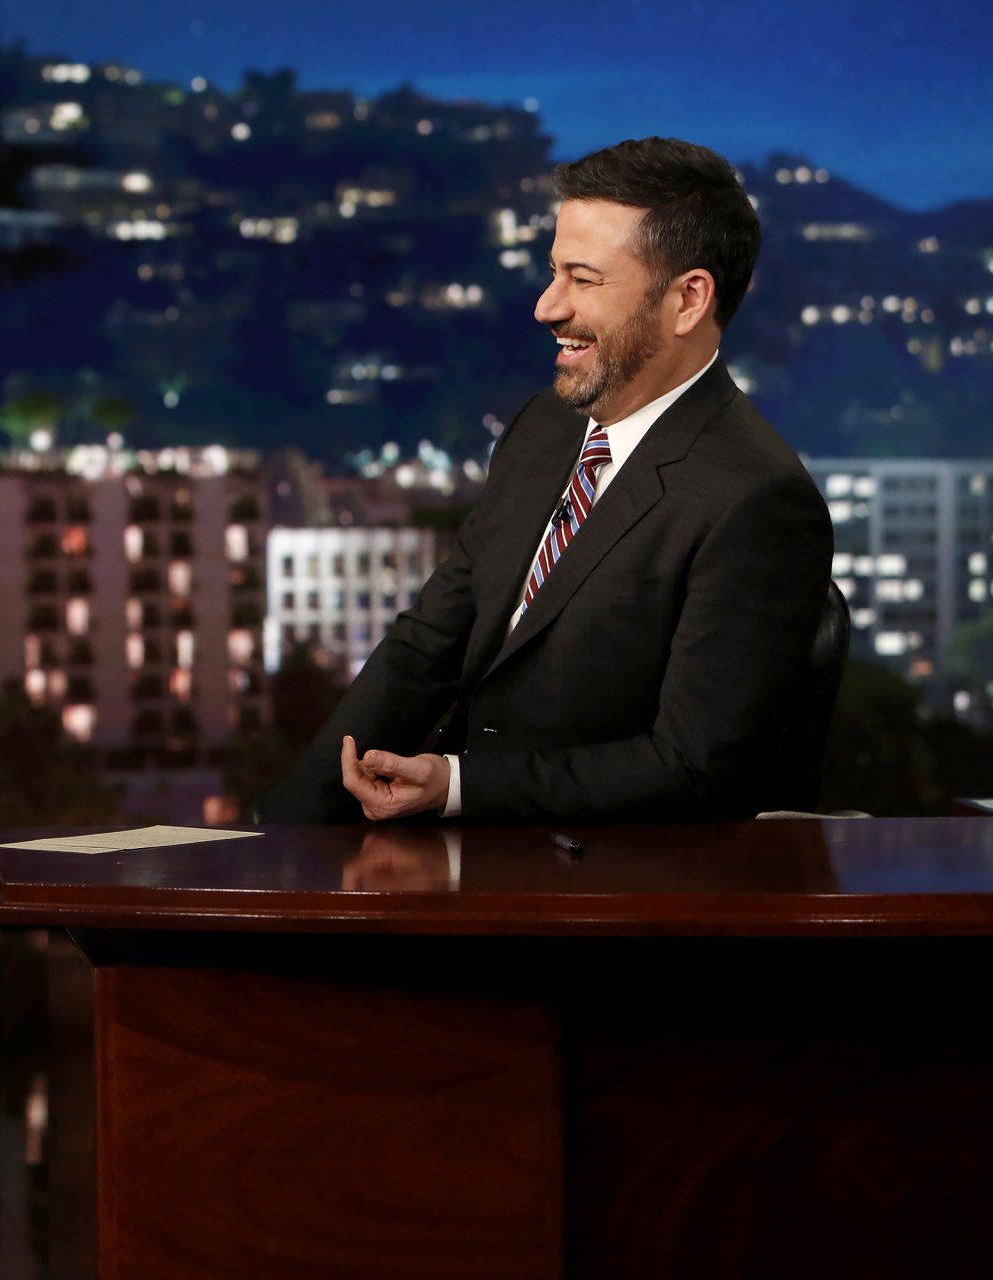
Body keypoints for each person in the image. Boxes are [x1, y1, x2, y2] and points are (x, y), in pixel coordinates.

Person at [258, 137, 834, 825]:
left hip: (607, 876)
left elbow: (693, 768)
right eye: (553, 273)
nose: (546, 306)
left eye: (583, 280)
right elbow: (427, 646)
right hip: (471, 854)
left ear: (687, 299)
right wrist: (283, 830)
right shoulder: (544, 426)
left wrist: (459, 787)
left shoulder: (758, 499)